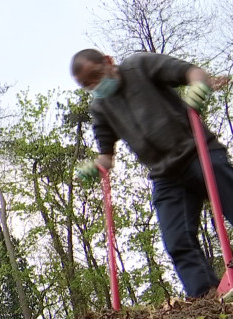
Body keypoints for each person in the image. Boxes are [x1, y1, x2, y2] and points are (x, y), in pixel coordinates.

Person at [71, 49, 232, 300]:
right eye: (86, 84)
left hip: (197, 151)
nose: (95, 85)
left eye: (96, 75)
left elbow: (192, 72)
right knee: (176, 239)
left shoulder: (140, 66)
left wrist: (198, 86)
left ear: (108, 62)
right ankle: (208, 299)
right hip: (166, 175)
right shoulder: (101, 107)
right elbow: (106, 155)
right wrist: (96, 166)